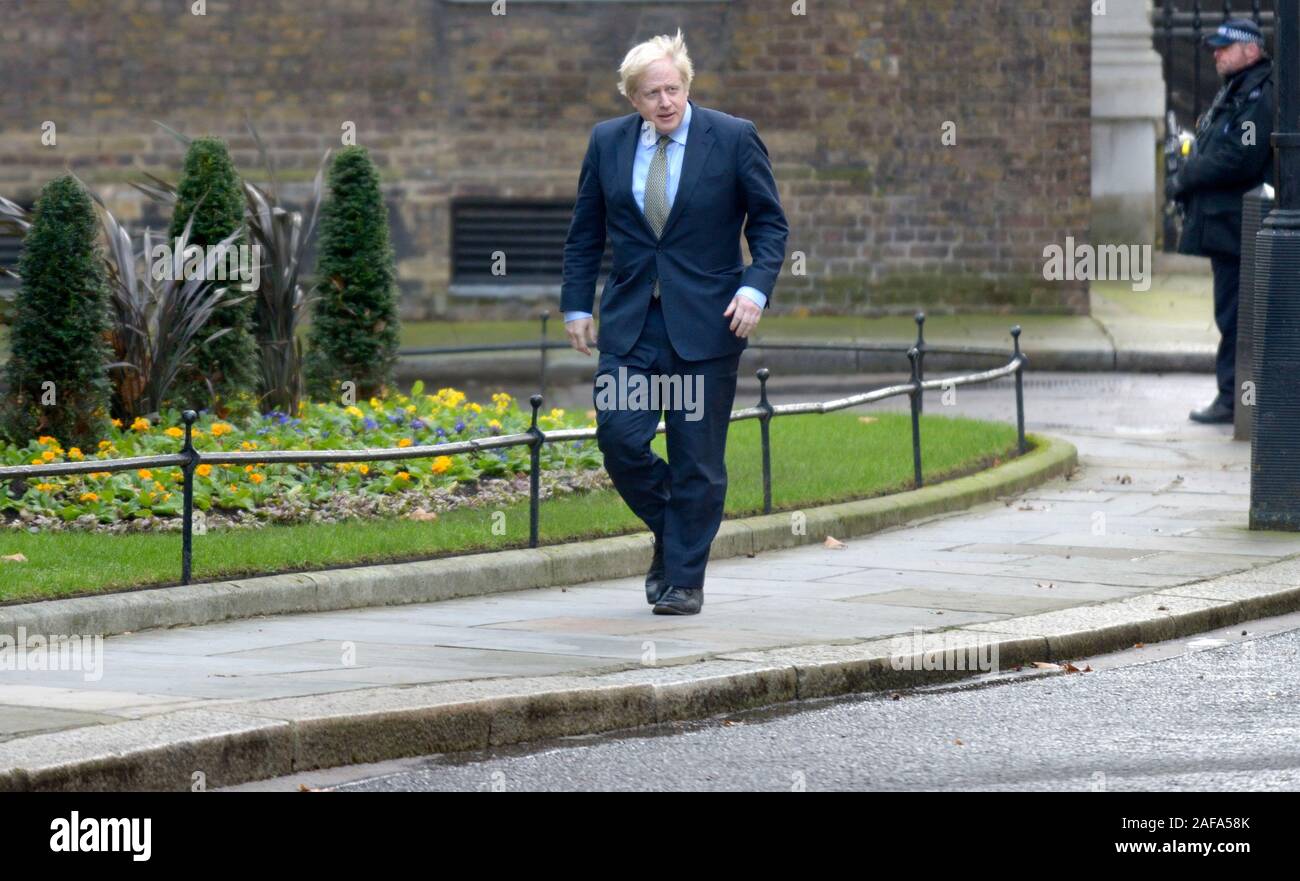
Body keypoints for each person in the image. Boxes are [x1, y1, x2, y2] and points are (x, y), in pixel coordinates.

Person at [560, 29, 789, 615]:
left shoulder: (733, 138)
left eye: (672, 88)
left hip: (708, 325)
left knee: (696, 457)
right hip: (633, 324)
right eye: (649, 93)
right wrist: (577, 305)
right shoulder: (607, 142)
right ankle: (676, 529)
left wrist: (754, 290)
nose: (664, 102)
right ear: (631, 98)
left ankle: (684, 579)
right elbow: (585, 232)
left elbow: (769, 227)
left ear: (687, 85)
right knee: (619, 437)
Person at [1168, 18, 1274, 424]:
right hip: (1226, 224)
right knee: (1230, 310)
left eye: (1225, 47)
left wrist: (1187, 176)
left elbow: (1240, 157)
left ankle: (1233, 398)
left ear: (1250, 50)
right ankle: (1234, 396)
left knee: (1235, 313)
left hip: (1239, 225)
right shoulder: (1237, 90)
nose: (1216, 53)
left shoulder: (1260, 95)